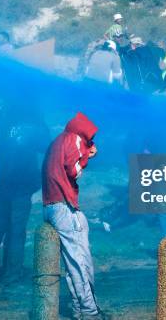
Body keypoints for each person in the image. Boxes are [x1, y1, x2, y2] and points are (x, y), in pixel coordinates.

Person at [42, 112, 106, 320]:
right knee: (80, 262)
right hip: (64, 207)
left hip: (52, 204)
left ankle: (80, 310)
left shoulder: (57, 140)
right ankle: (90, 312)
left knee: (73, 262)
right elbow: (74, 170)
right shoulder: (75, 139)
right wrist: (88, 154)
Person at [0, 103, 50, 284]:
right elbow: (45, 145)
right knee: (16, 230)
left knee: (1, 227)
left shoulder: (4, 115)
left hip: (1, 180)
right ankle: (11, 274)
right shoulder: (32, 118)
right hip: (20, 183)